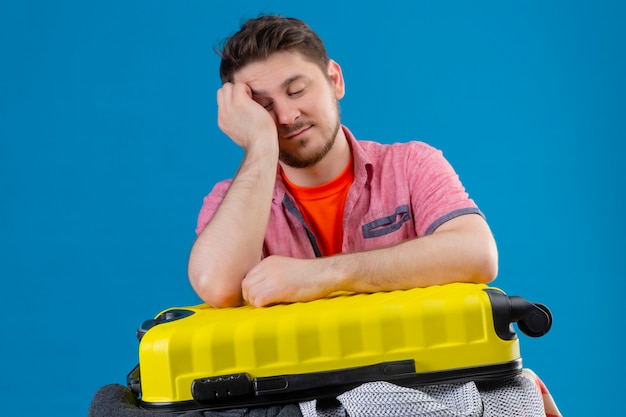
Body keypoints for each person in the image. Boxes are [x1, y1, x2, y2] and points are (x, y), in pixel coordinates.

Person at [188, 14, 499, 309]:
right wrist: (259, 144)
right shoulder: (230, 201)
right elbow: (216, 285)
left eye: (296, 91)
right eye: (264, 106)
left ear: (335, 79)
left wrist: (325, 274)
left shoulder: (411, 165)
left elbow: (477, 253)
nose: (286, 116)